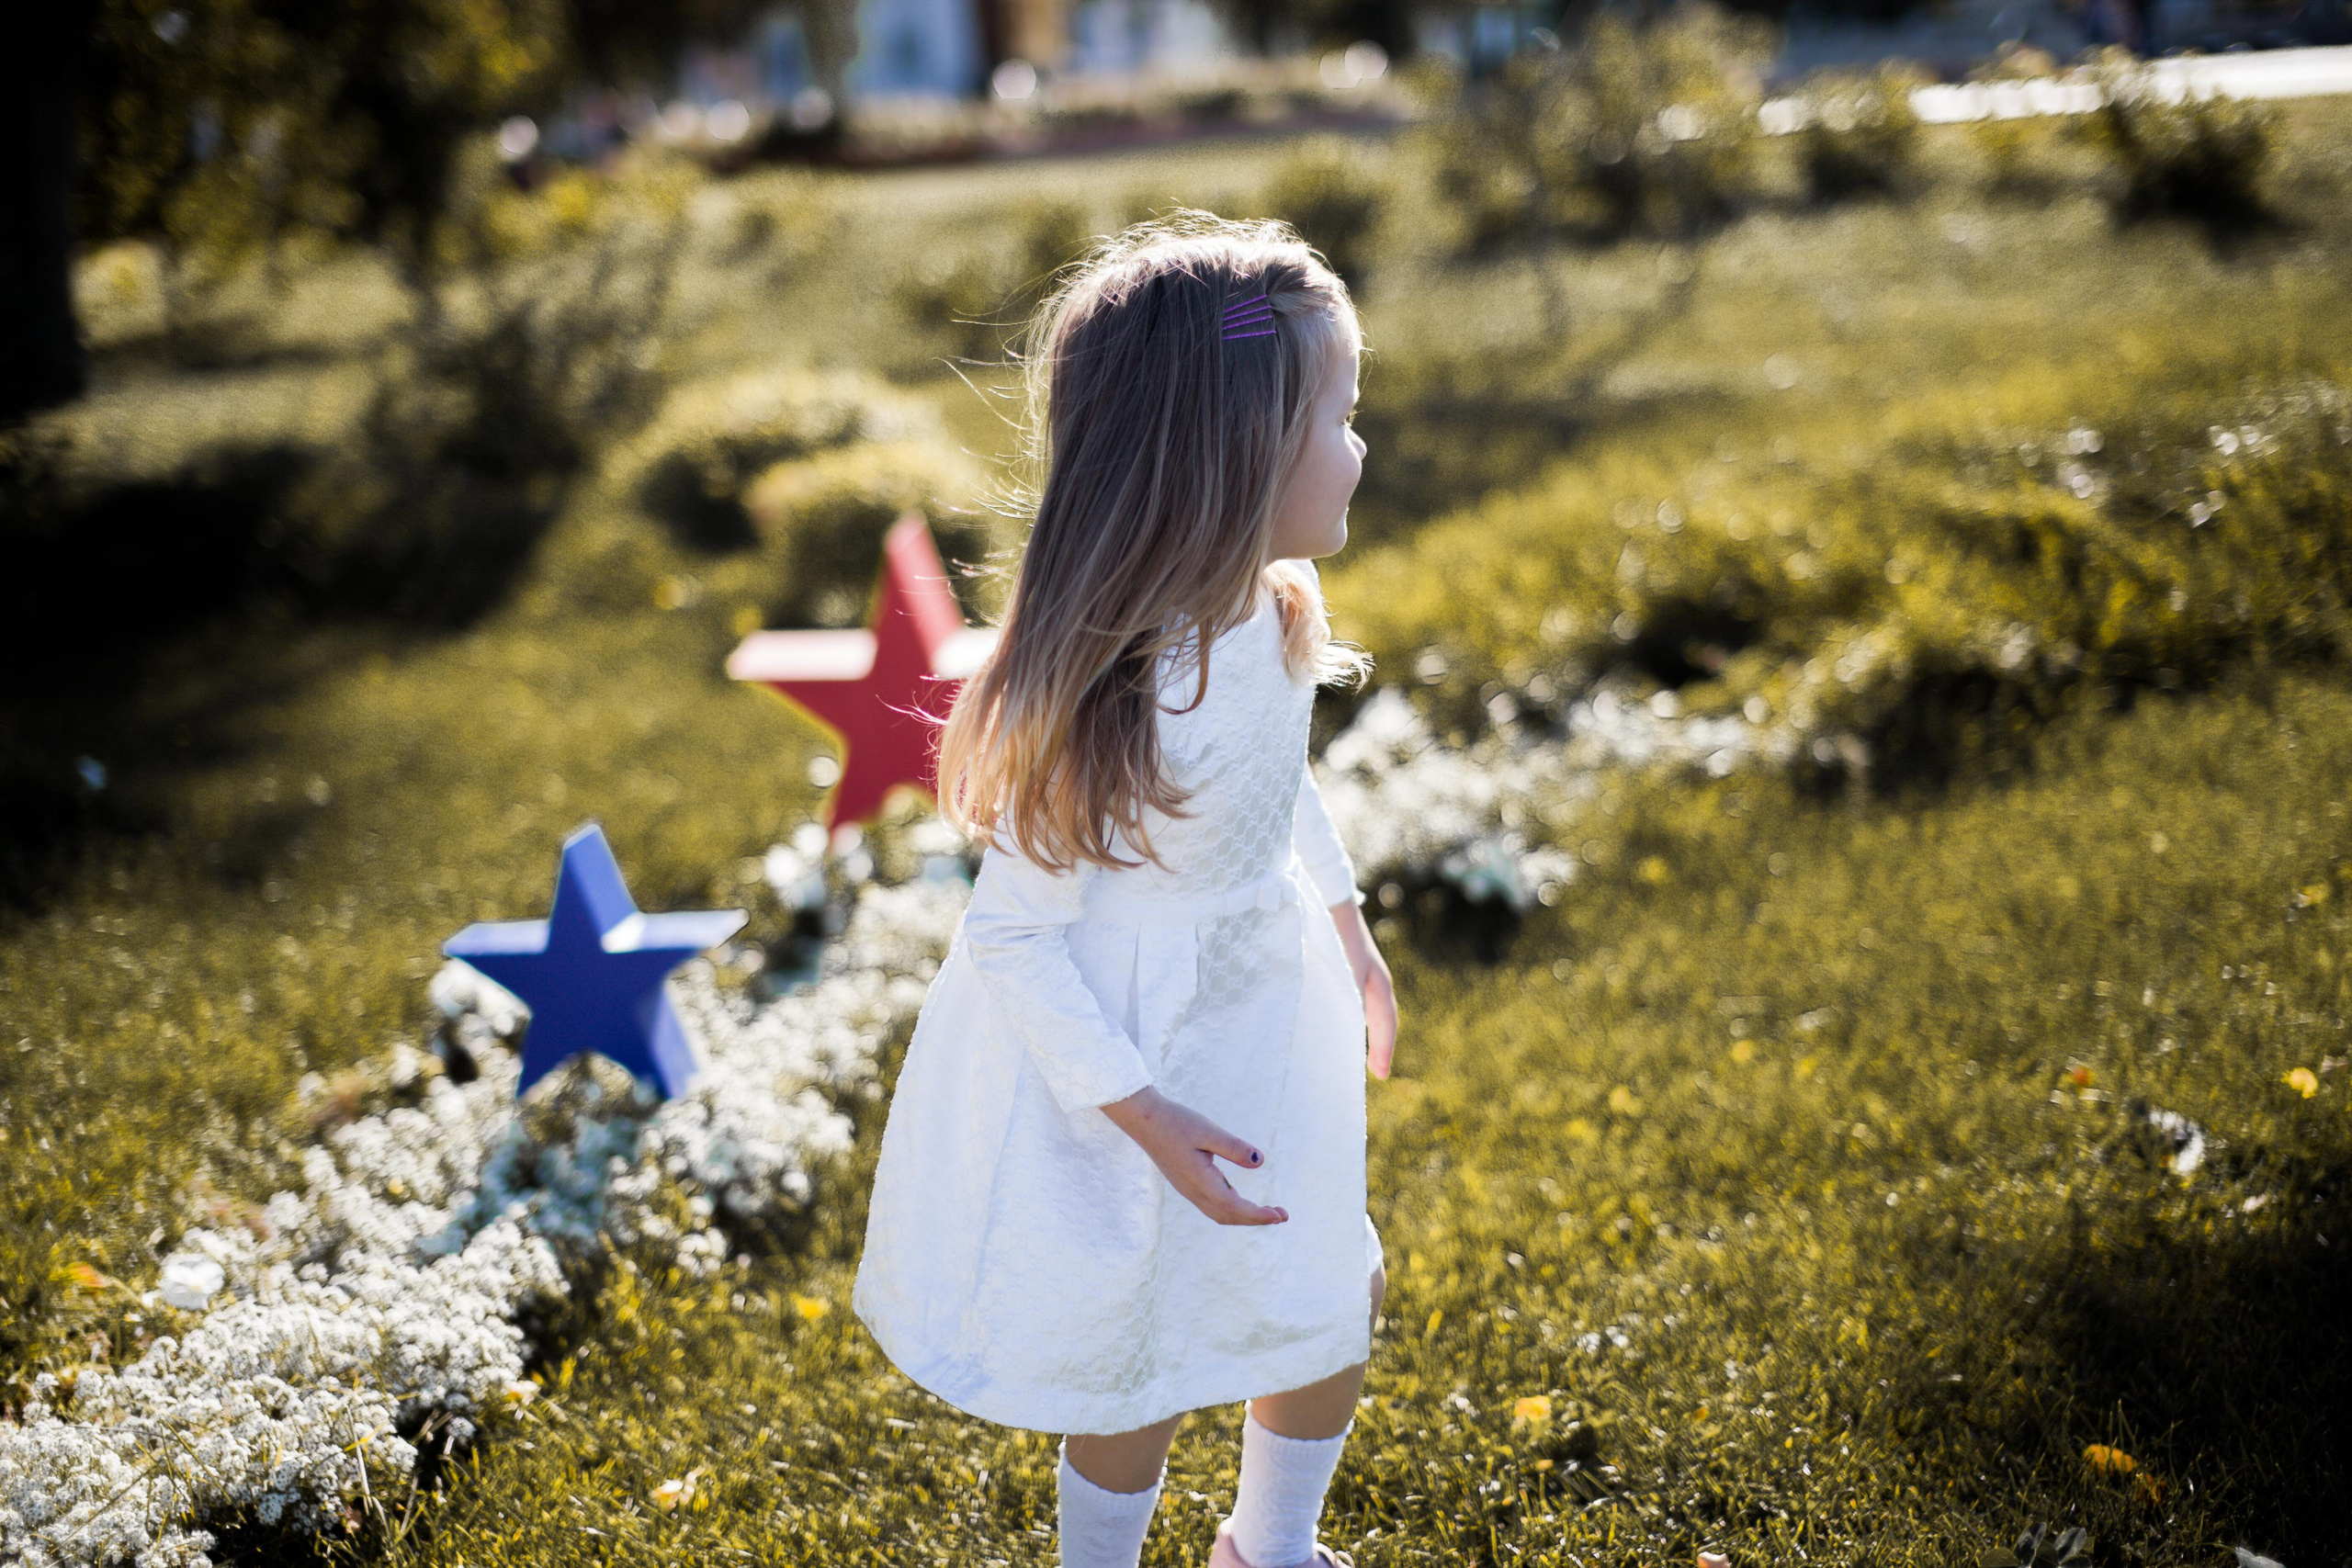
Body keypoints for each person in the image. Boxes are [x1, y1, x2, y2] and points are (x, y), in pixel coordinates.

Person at [848, 210, 1400, 1568]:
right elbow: (1015, 939)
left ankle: (1269, 1547)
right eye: (1338, 416)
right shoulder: (1123, 690)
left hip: (1266, 1021)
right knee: (1134, 1346)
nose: (1362, 446)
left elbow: (1286, 792)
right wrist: (1145, 1116)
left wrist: (1350, 930)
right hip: (1128, 1058)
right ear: (1237, 455)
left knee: (1328, 1288)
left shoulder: (1276, 614)